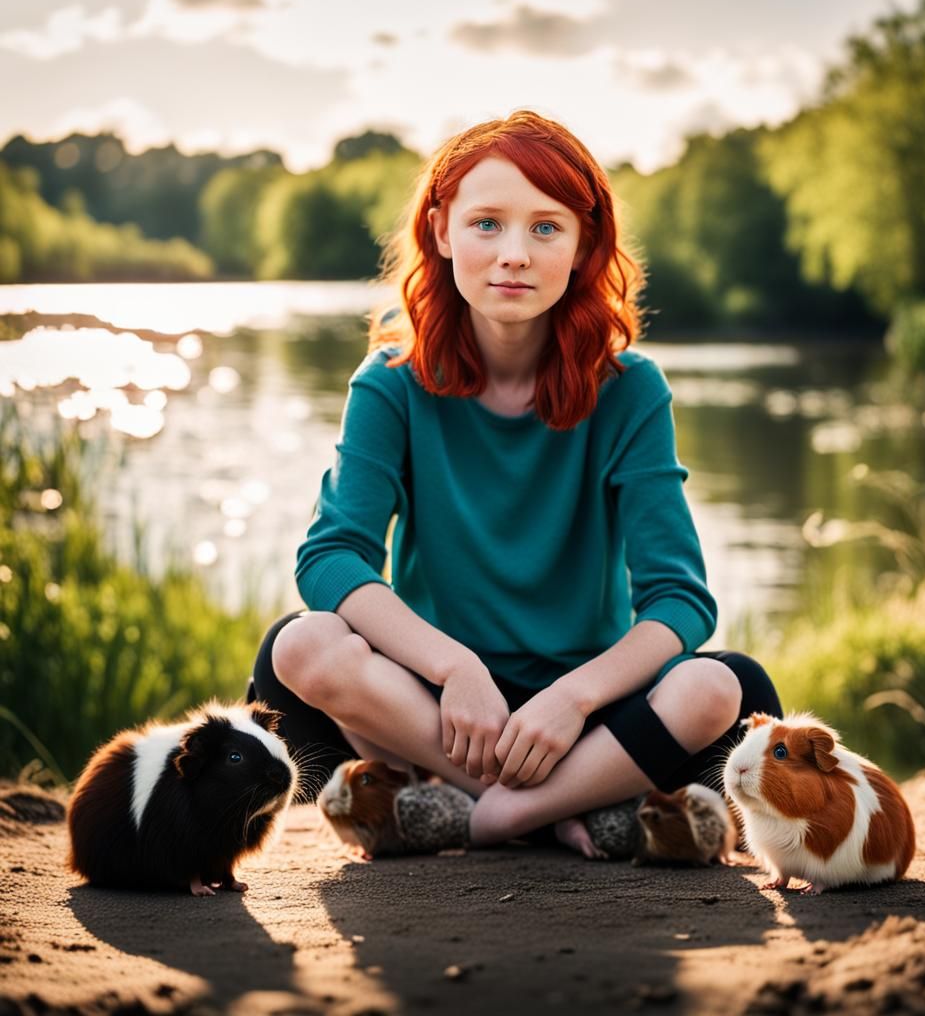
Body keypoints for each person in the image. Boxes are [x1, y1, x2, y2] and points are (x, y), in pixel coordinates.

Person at [248, 110, 782, 855]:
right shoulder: (391, 385)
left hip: (585, 713)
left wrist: (575, 696)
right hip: (433, 710)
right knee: (300, 648)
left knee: (722, 689)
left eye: (545, 228)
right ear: (441, 231)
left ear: (584, 244)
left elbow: (679, 598)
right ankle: (559, 812)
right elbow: (332, 557)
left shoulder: (630, 390)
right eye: (487, 223)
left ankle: (493, 815)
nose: (514, 255)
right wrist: (454, 666)